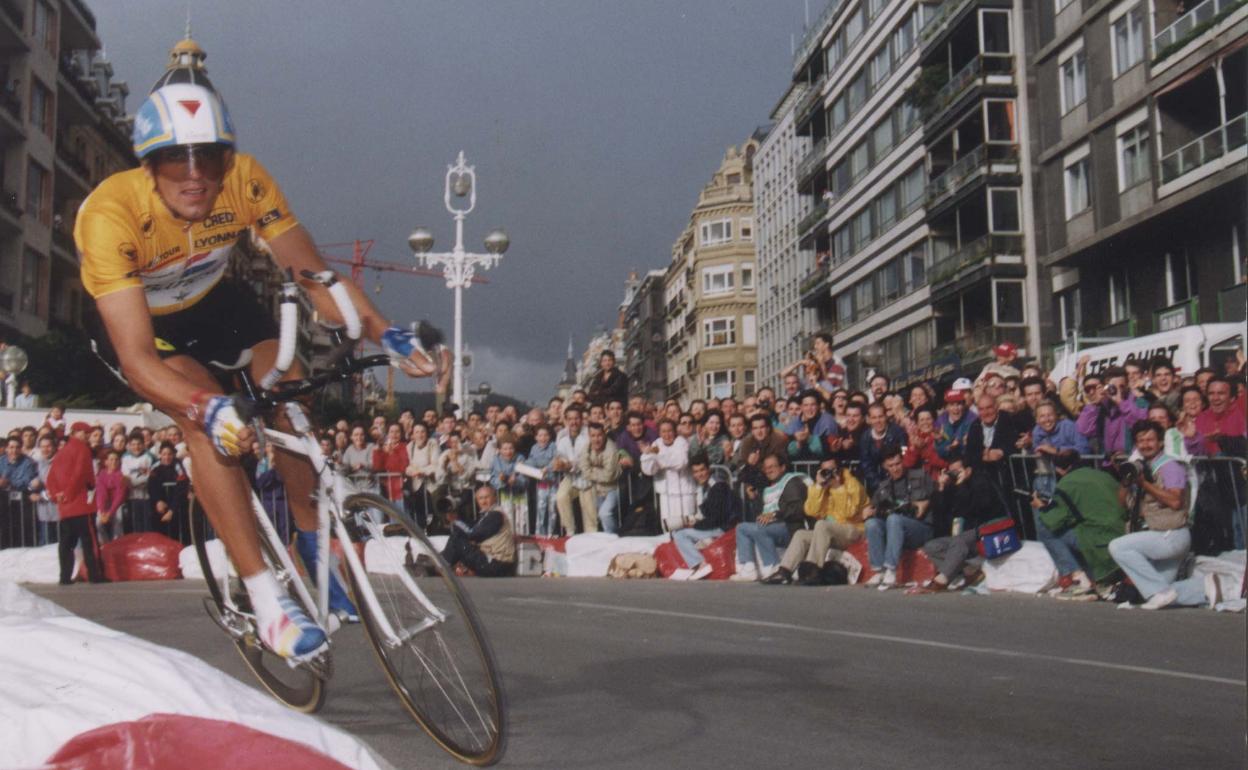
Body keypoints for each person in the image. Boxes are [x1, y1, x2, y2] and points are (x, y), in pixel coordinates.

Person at [75, 48, 449, 659]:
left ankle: (313, 544)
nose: (195, 175)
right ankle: (266, 600)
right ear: (148, 164)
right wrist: (204, 405)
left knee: (290, 390)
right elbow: (139, 358)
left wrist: (384, 330)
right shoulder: (112, 216)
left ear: (228, 157)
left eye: (209, 158)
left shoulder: (245, 178)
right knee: (210, 421)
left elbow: (313, 275)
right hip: (143, 326)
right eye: (175, 159)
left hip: (212, 300)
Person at [1108, 421, 1204, 609]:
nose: (1146, 444)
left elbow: (1176, 501)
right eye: (1141, 441)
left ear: (1160, 442)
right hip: (1160, 535)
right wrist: (1126, 480)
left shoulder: (1170, 466)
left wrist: (1144, 484)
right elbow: (1122, 503)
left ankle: (1161, 592)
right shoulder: (1142, 466)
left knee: (1117, 547)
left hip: (1171, 535)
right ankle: (1205, 589)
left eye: (1150, 440)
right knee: (1154, 589)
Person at [1032, 450, 1128, 597]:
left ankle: (1077, 577)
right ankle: (1091, 576)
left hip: (1099, 539)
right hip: (1123, 531)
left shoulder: (1066, 484)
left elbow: (1055, 521)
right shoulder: (1104, 475)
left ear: (1059, 469)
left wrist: (1041, 507)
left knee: (1045, 527)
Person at [768, 456, 868, 585]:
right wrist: (819, 487)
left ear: (841, 470)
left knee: (822, 525)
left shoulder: (853, 484)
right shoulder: (823, 487)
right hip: (830, 531)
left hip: (852, 529)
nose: (831, 474)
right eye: (826, 471)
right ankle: (784, 572)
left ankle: (812, 571)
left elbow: (849, 512)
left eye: (834, 470)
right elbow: (811, 511)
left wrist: (838, 488)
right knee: (801, 535)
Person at [862, 449, 934, 590]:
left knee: (894, 519)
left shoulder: (920, 476)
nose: (895, 468)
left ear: (903, 461)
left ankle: (891, 570)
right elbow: (872, 508)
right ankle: (879, 571)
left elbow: (937, 496)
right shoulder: (884, 487)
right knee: (872, 524)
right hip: (896, 531)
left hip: (921, 528)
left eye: (898, 464)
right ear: (885, 467)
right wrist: (865, 512)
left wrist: (925, 503)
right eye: (891, 465)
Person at [45, 422, 106, 585]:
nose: (87, 436)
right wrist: (70, 494)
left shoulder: (62, 452)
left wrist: (57, 496)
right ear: (76, 432)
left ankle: (64, 576)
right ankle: (95, 575)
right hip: (81, 504)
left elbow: (50, 477)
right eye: (85, 433)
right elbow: (80, 474)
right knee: (90, 541)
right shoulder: (83, 450)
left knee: (66, 543)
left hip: (65, 508)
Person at [732, 453, 808, 582]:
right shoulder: (767, 487)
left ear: (783, 467)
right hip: (773, 526)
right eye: (766, 468)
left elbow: (797, 509)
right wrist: (755, 498)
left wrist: (775, 514)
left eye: (772, 466)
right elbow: (762, 514)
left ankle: (772, 566)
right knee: (741, 528)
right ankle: (748, 567)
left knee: (760, 529)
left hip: (790, 527)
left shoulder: (792, 482)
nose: (769, 470)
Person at [669, 454, 739, 581]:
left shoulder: (718, 487)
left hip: (722, 528)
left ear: (708, 469)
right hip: (717, 526)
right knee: (681, 532)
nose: (700, 474)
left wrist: (694, 526)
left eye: (702, 470)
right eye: (696, 472)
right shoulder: (708, 487)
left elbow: (716, 519)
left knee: (680, 534)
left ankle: (700, 564)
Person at [439, 485, 516, 577]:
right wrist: (455, 519)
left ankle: (439, 565)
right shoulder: (487, 515)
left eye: (487, 497)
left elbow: (473, 534)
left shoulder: (496, 515)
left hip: (497, 564)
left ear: (495, 498)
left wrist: (455, 521)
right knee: (458, 537)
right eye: (480, 498)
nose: (483, 501)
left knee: (457, 540)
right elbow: (470, 528)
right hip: (492, 562)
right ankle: (439, 562)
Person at [641, 418, 696, 532]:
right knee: (669, 528)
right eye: (663, 431)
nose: (667, 434)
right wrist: (647, 455)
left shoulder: (681, 441)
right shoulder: (656, 443)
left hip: (685, 492)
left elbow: (681, 461)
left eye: (670, 431)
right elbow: (649, 470)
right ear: (659, 433)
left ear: (675, 431)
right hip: (666, 495)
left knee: (688, 525)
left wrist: (657, 457)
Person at [554, 405, 595, 534]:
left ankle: (592, 536)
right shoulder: (561, 435)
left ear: (582, 419)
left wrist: (570, 465)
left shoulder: (589, 434)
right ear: (565, 420)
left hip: (588, 477)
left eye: (576, 418)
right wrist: (560, 463)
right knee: (561, 496)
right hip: (570, 477)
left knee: (589, 512)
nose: (573, 422)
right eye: (570, 419)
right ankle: (570, 531)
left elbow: (587, 458)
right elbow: (560, 455)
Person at [579, 423, 622, 534]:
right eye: (593, 436)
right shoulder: (587, 447)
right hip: (596, 489)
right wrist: (597, 471)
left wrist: (592, 469)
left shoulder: (611, 449)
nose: (596, 439)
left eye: (599, 435)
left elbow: (609, 476)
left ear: (604, 435)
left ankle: (612, 537)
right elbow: (584, 470)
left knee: (605, 513)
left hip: (613, 488)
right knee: (597, 515)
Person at [95, 449, 128, 543]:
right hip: (105, 504)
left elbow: (119, 496)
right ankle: (105, 543)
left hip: (117, 504)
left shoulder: (121, 475)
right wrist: (102, 511)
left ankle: (117, 542)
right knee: (98, 522)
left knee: (118, 519)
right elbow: (101, 494)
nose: (113, 462)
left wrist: (110, 513)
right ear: (106, 462)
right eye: (111, 459)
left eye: (116, 459)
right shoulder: (101, 474)